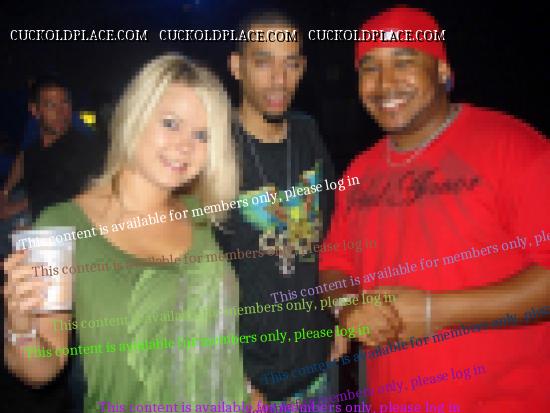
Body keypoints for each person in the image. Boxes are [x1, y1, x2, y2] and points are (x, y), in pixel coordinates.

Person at [319, 5, 550, 413]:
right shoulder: (359, 171)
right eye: (370, 68)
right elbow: (335, 265)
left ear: (442, 71)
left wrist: (434, 311)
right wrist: (347, 307)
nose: (385, 83)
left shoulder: (514, 147)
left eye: (403, 61)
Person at [4, 54, 251, 411]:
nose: (186, 145)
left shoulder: (198, 213)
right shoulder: (63, 226)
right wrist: (19, 327)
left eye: (202, 135)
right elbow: (42, 370)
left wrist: (243, 389)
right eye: (171, 123)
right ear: (136, 116)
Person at [216, 9, 338, 404]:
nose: (279, 80)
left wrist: (340, 314)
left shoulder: (307, 132)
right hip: (252, 384)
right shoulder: (212, 149)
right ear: (237, 66)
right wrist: (233, 377)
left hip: (320, 366)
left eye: (291, 64)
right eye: (263, 62)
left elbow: (334, 230)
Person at [0, 75, 105, 221]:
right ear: (35, 110)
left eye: (65, 102)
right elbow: (24, 160)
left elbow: (70, 195)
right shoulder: (33, 146)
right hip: (33, 211)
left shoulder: (83, 148)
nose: (61, 112)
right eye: (51, 105)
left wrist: (16, 210)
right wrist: (5, 192)